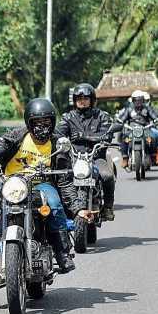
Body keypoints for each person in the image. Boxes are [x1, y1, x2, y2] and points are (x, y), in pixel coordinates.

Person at [0, 98, 76, 278]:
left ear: (53, 122)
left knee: (55, 204)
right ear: (29, 122)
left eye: (46, 122)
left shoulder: (58, 142)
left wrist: (78, 208)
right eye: (37, 122)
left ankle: (62, 252)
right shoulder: (15, 136)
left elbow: (65, 179)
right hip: (12, 184)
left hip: (42, 184)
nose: (42, 126)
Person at [56, 83, 117, 221]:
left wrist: (83, 137)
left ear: (92, 99)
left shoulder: (102, 116)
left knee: (107, 175)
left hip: (96, 157)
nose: (81, 101)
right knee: (57, 176)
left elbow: (106, 136)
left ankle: (107, 207)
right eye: (78, 98)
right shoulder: (68, 117)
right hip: (73, 158)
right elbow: (58, 134)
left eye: (85, 98)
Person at [117, 90, 158, 167]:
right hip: (132, 130)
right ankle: (125, 158)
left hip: (145, 129)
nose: (138, 102)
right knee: (125, 139)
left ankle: (153, 155)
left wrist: (157, 119)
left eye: (140, 100)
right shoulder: (129, 109)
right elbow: (123, 118)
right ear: (133, 100)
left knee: (152, 138)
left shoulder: (147, 109)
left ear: (143, 100)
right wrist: (119, 121)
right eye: (136, 100)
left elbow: (153, 115)